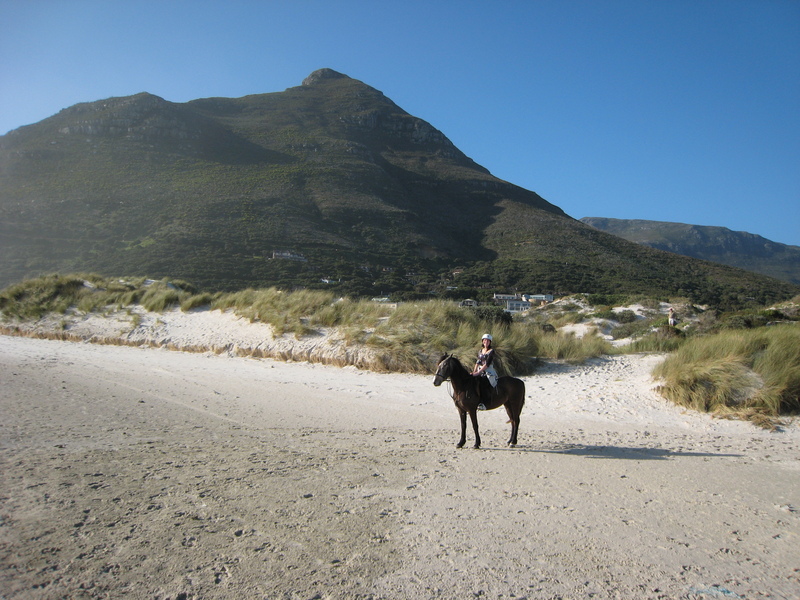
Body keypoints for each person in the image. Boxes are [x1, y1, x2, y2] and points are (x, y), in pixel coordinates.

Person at [472, 333, 498, 410]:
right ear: (482, 341)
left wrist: (479, 372)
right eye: (485, 340)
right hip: (479, 370)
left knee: (484, 384)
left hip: (488, 371)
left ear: (490, 342)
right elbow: (478, 362)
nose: (486, 342)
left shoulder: (491, 351)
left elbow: (487, 364)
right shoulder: (480, 351)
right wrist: (474, 371)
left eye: (488, 341)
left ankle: (483, 403)